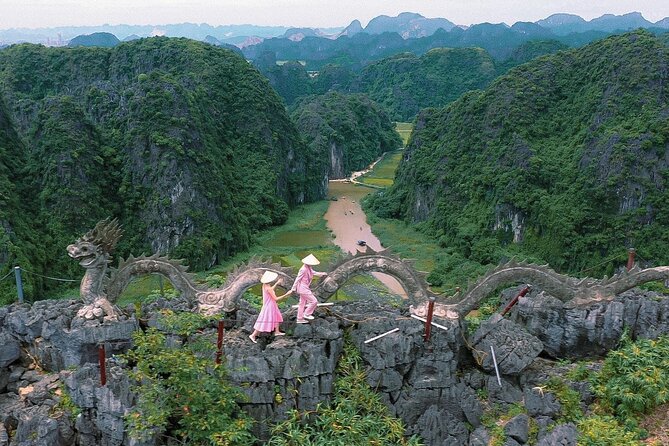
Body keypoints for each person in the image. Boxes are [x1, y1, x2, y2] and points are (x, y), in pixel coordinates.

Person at [249, 270, 291, 343]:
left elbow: (271, 290)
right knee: (264, 320)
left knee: (276, 317)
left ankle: (277, 331)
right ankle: (253, 335)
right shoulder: (268, 287)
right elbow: (275, 298)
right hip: (270, 306)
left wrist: (277, 283)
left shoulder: (265, 285)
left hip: (270, 305)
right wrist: (286, 294)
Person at [291, 253, 327, 324]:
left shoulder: (308, 267)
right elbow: (298, 279)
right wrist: (293, 288)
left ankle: (299, 318)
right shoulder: (303, 269)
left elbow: (313, 272)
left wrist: (321, 273)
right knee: (314, 301)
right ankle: (307, 313)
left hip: (305, 287)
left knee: (302, 303)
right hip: (303, 288)